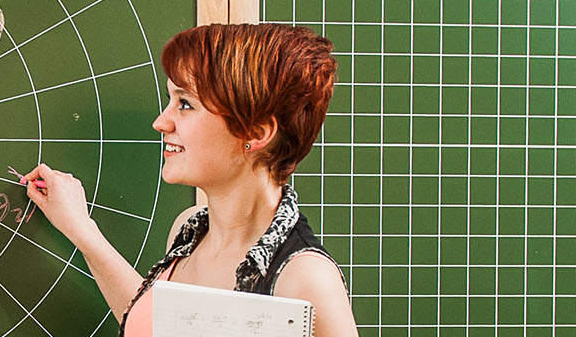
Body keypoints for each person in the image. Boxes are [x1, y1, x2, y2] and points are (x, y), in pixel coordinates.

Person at [22, 23, 359, 336]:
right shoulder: (190, 231)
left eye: (185, 103)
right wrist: (81, 228)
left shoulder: (305, 278)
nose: (161, 121)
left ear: (255, 132)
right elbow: (153, 325)